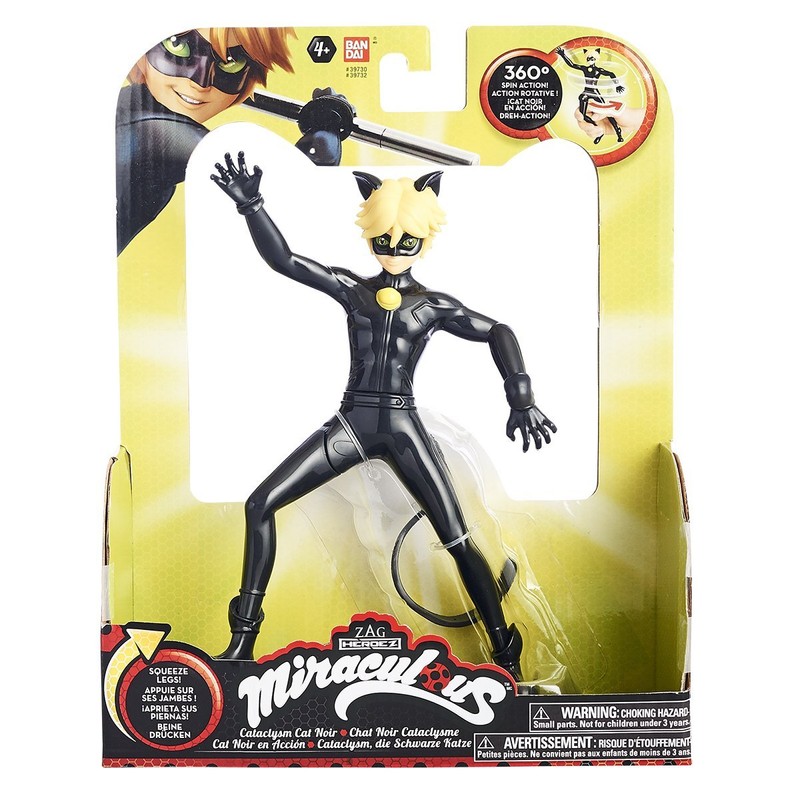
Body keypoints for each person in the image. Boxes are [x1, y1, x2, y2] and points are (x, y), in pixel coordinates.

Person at [209, 152, 557, 680]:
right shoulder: (354, 291)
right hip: (352, 423)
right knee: (260, 504)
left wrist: (521, 395)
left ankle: (506, 655)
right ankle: (243, 641)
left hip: (400, 428)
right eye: (384, 241)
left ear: (425, 240)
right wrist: (252, 206)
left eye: (407, 242)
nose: (394, 251)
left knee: (458, 537)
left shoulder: (432, 305)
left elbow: (498, 331)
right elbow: (286, 261)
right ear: (370, 237)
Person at [117, 28, 351, 253]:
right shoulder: (156, 131)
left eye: (230, 62)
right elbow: (302, 177)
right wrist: (329, 122)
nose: (201, 82)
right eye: (177, 46)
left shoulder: (130, 108)